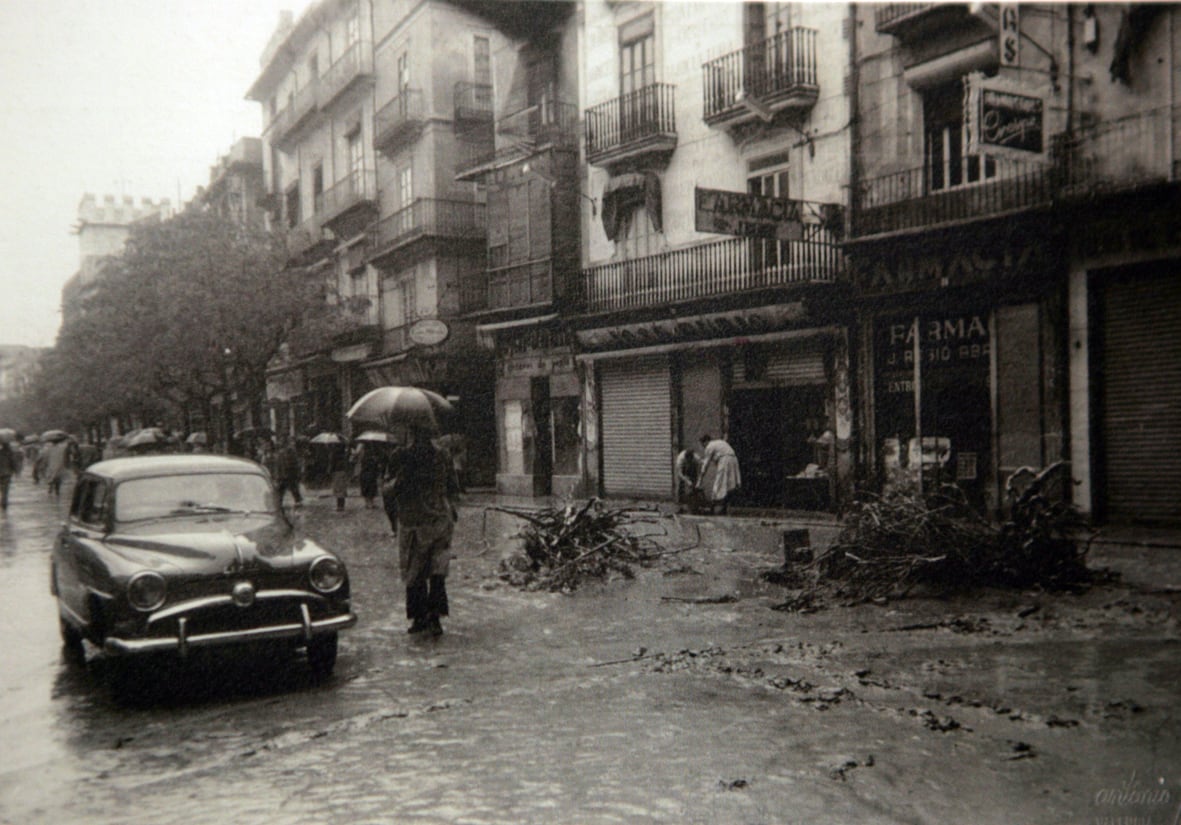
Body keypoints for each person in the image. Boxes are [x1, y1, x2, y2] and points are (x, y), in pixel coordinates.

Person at [391, 425, 460, 636]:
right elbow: (453, 486)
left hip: (413, 521)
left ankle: (419, 617)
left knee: (415, 572)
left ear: (410, 432)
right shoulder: (442, 455)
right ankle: (435, 617)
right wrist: (452, 509)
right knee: (437, 571)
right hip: (439, 519)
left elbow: (394, 488)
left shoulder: (401, 455)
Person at [696, 433, 741, 515]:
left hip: (726, 461)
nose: (703, 447)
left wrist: (699, 480)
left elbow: (705, 464)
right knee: (730, 484)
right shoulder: (720, 442)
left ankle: (715, 508)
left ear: (706, 441)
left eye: (703, 444)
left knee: (719, 484)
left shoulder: (710, 446)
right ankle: (725, 508)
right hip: (733, 460)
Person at [274, 437, 303, 509]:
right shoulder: (282, 452)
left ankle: (297, 500)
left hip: (290, 474)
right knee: (283, 489)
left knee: (291, 488)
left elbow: (293, 463)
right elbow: (279, 464)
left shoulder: (289, 452)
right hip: (286, 474)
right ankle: (279, 502)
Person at [355, 440, 384, 509]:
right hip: (370, 474)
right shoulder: (372, 457)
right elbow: (375, 466)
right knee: (371, 489)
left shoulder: (363, 456)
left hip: (364, 474)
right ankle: (370, 503)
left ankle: (367, 503)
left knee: (366, 489)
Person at [675, 442, 703, 514]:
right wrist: (686, 481)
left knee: (694, 485)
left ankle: (694, 504)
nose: (689, 461)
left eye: (691, 460)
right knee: (679, 485)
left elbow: (700, 472)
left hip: (692, 469)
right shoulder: (680, 459)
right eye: (688, 460)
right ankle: (679, 505)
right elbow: (680, 473)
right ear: (686, 458)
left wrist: (698, 482)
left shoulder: (697, 458)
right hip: (683, 469)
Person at [327, 439, 351, 512]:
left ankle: (340, 506)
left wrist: (329, 470)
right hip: (343, 470)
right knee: (342, 488)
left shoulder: (335, 453)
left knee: (338, 488)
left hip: (337, 470)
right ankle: (341, 505)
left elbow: (332, 463)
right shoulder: (344, 453)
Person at [0, 438, 17, 510]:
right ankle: (4, 503)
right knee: (5, 490)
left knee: (1, 488)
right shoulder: (10, 453)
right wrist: (15, 470)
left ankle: (2, 501)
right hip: (7, 473)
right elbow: (13, 462)